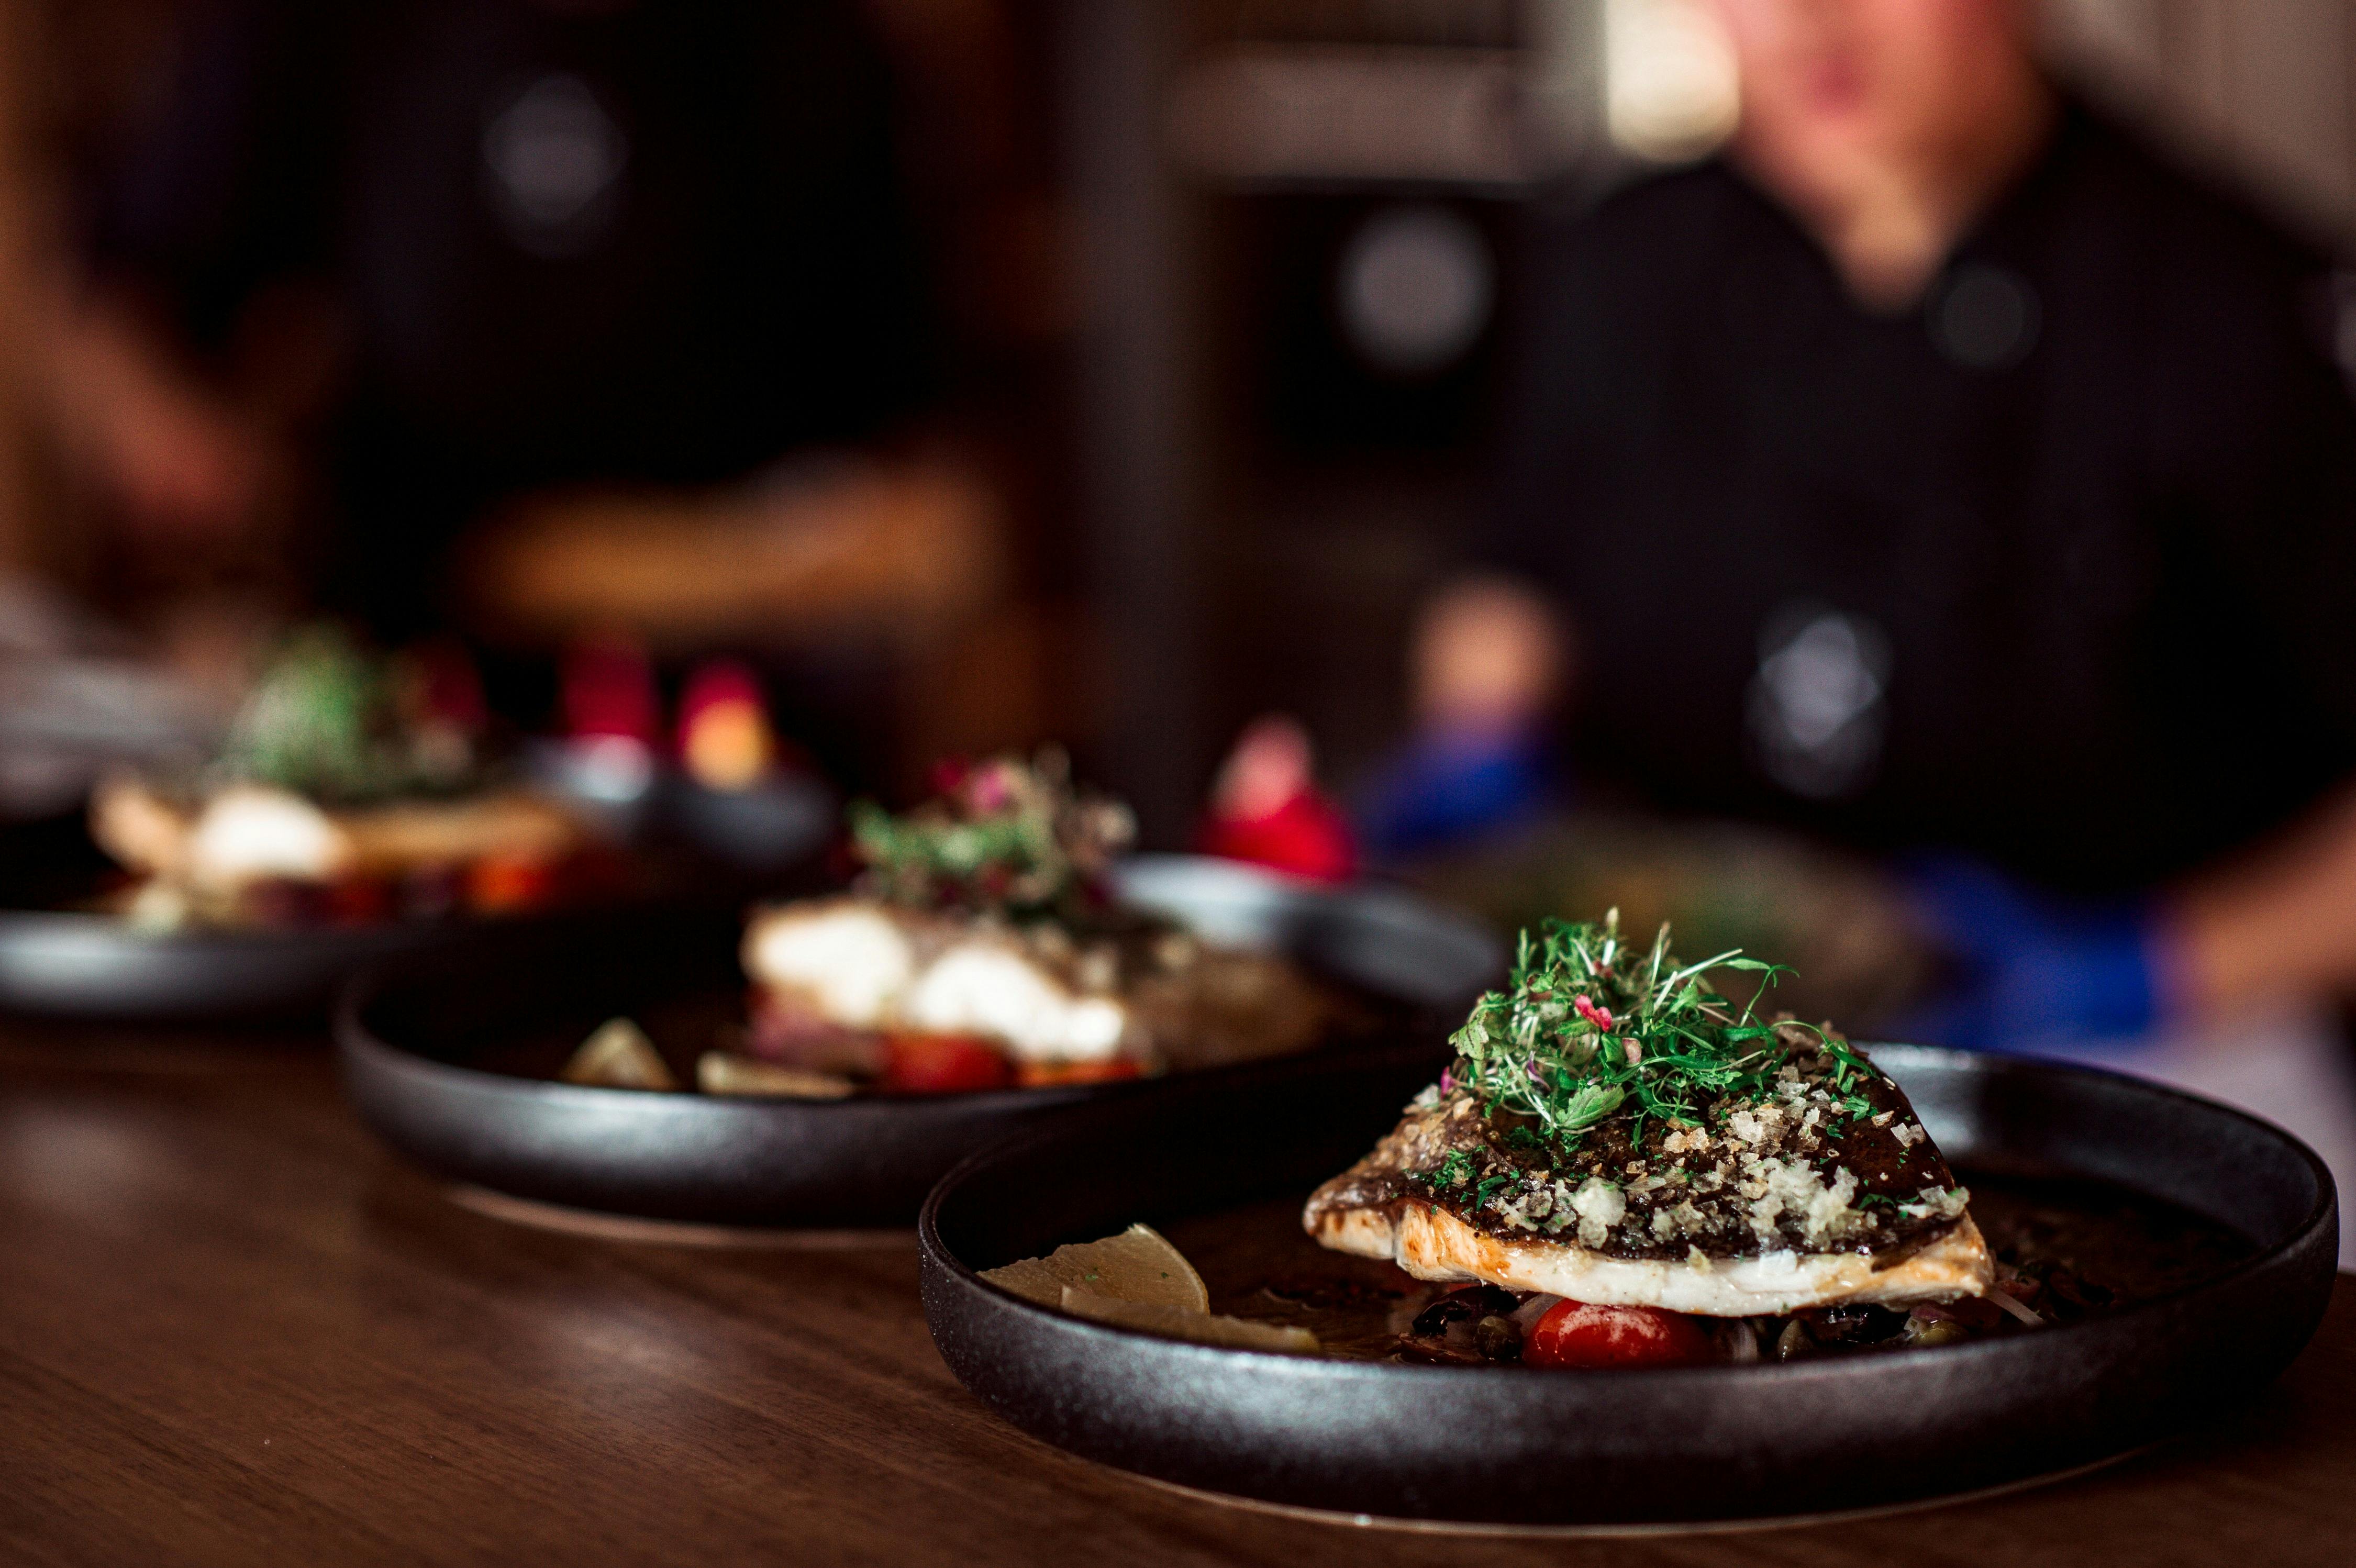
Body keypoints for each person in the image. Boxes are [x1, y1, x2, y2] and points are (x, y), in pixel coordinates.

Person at [1373, 0, 2356, 1240]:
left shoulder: (2247, 304)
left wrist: (2153, 961)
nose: (1805, 29)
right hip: (1675, 1036)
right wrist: (1481, 749)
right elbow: (1513, 577)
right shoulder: (1632, 251)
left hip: (2137, 1066)